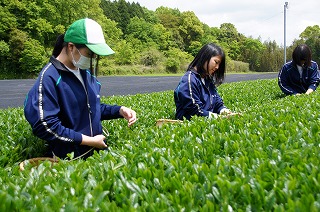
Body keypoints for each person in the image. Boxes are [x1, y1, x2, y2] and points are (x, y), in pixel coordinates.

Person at [24, 18, 137, 159]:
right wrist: (87, 140)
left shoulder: (85, 72)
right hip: (69, 160)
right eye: (90, 54)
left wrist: (119, 110)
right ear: (71, 47)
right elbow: (44, 125)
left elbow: (90, 109)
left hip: (97, 155)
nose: (93, 59)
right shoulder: (50, 77)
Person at [174, 43, 237, 120]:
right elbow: (193, 110)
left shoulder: (208, 80)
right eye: (216, 62)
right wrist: (218, 117)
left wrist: (224, 111)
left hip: (207, 122)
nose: (217, 67)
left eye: (219, 64)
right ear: (205, 57)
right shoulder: (189, 79)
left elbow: (217, 101)